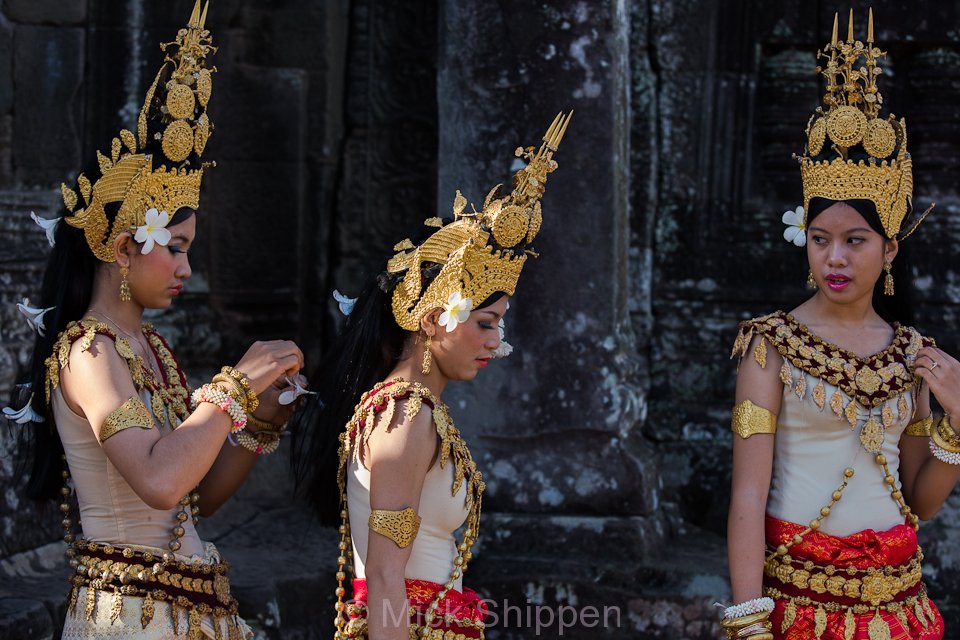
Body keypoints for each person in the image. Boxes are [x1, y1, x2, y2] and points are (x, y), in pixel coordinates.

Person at [5, 2, 304, 638]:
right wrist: (231, 390)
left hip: (188, 610)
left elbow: (192, 501)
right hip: (131, 621)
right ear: (120, 246)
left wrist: (261, 421)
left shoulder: (150, 348)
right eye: (175, 248)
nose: (186, 269)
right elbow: (161, 481)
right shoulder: (89, 355)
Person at [722, 10, 960, 640]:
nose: (835, 257)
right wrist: (748, 620)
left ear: (889, 251)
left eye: (856, 240)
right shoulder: (769, 348)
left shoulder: (913, 356)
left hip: (898, 603)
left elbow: (919, 502)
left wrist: (958, 427)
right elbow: (748, 495)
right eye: (821, 238)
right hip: (796, 601)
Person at [291, 112, 571, 640]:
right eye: (485, 323)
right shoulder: (404, 415)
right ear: (431, 320)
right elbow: (385, 574)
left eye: (500, 324)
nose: (497, 341)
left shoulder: (414, 410)